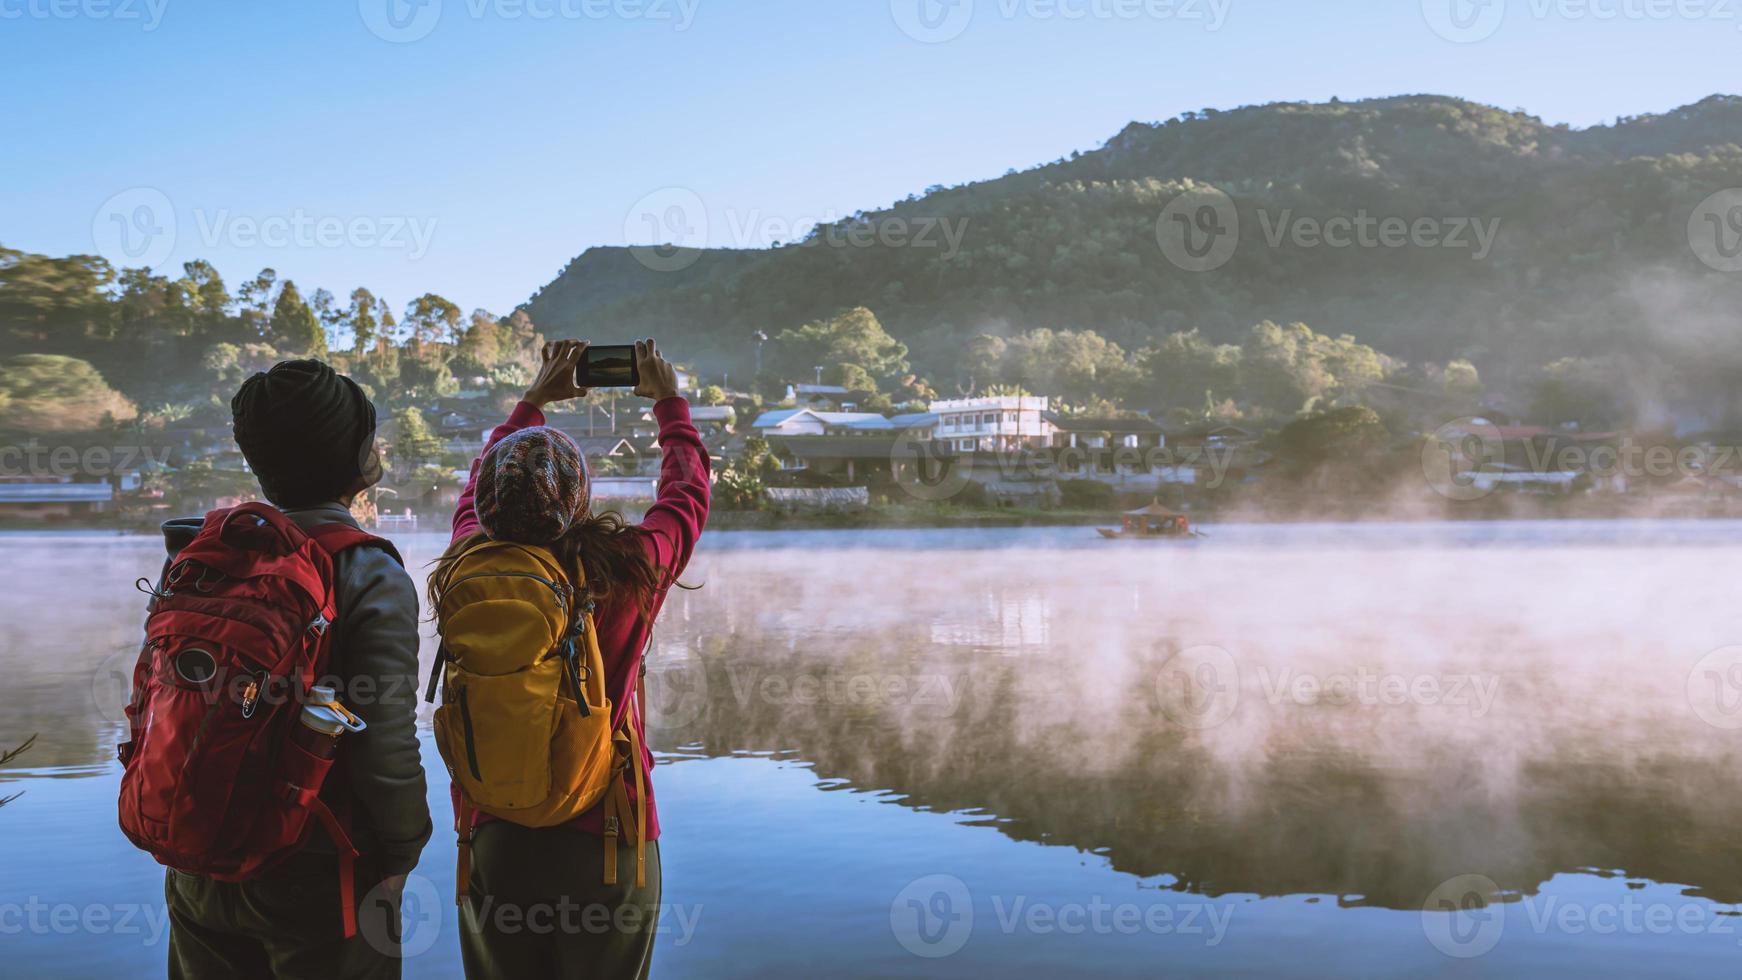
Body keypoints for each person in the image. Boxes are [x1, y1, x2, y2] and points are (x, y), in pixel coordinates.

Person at [433, 339, 709, 980]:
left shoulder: (466, 562)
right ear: (580, 499)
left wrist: (532, 401)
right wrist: (669, 402)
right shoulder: (630, 568)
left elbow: (477, 482)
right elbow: (686, 496)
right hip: (606, 843)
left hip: (494, 833)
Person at [160, 360, 432, 979]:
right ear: (353, 454)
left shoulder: (208, 555)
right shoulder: (367, 572)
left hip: (200, 859)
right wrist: (402, 850)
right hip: (321, 878)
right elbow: (385, 742)